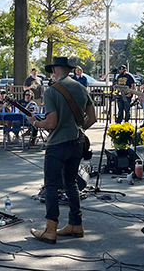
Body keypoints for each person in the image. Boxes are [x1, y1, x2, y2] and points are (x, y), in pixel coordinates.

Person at [26, 57, 96, 245]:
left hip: (58, 144)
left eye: (52, 70)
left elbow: (52, 123)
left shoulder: (52, 91)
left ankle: (50, 229)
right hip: (77, 142)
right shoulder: (81, 88)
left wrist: (35, 123)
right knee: (71, 182)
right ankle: (76, 224)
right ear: (69, 70)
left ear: (55, 70)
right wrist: (79, 130)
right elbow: (93, 117)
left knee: (51, 185)